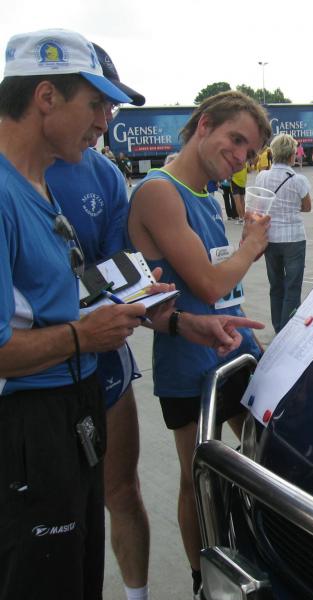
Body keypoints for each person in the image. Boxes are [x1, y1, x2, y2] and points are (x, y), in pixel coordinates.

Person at [0, 28, 147, 600]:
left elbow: (62, 291)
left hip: (72, 411)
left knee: (77, 572)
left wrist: (152, 305)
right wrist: (85, 336)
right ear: (46, 97)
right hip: (29, 425)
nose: (105, 121)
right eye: (96, 104)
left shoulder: (38, 184)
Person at [126, 90, 271, 599]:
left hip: (234, 348)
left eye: (250, 152)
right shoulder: (160, 192)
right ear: (204, 125)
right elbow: (208, 285)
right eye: (236, 140)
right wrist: (251, 247)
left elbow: (222, 284)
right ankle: (200, 580)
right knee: (199, 479)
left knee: (266, 458)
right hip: (189, 361)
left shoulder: (207, 195)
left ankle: (261, 557)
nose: (241, 157)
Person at [254, 134, 312, 333]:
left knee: (276, 285)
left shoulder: (262, 177)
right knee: (292, 286)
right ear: (291, 156)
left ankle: (278, 326)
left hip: (270, 238)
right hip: (294, 237)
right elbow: (307, 207)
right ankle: (288, 329)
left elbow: (259, 205)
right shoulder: (298, 180)